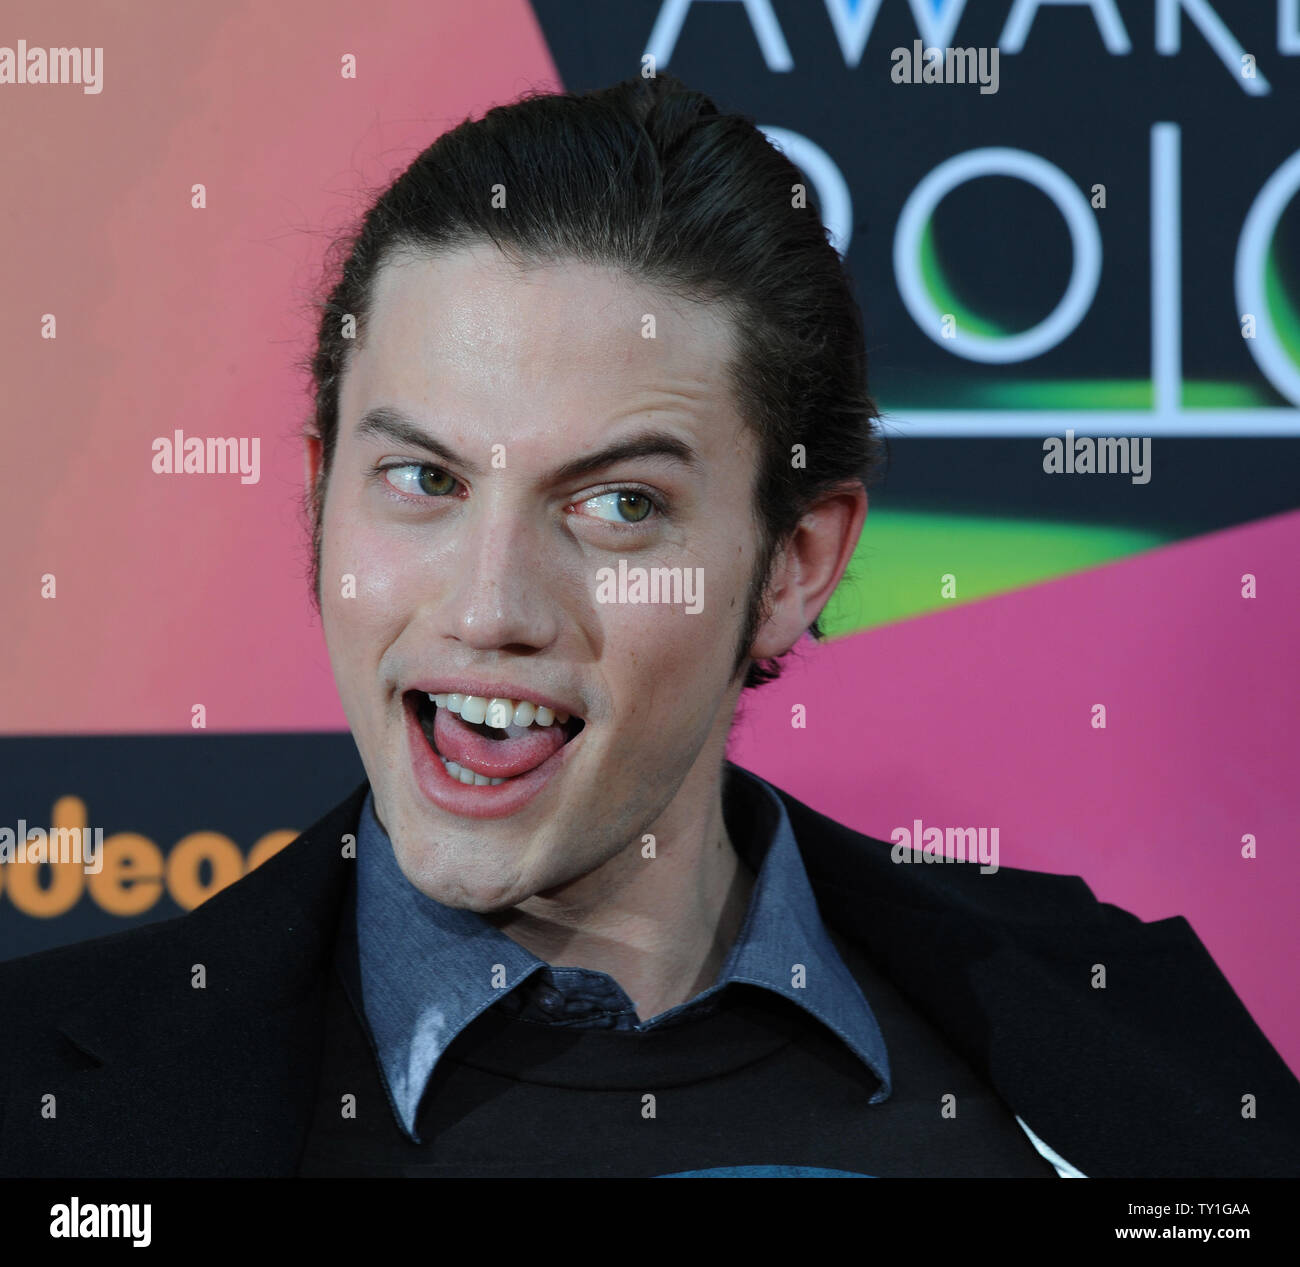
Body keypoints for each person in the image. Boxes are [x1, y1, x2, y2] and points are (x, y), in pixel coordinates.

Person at [2, 72, 1296, 1179]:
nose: (490, 605)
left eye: (619, 504)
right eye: (426, 481)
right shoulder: (39, 1100)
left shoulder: (1132, 1051)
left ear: (795, 564)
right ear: (319, 495)